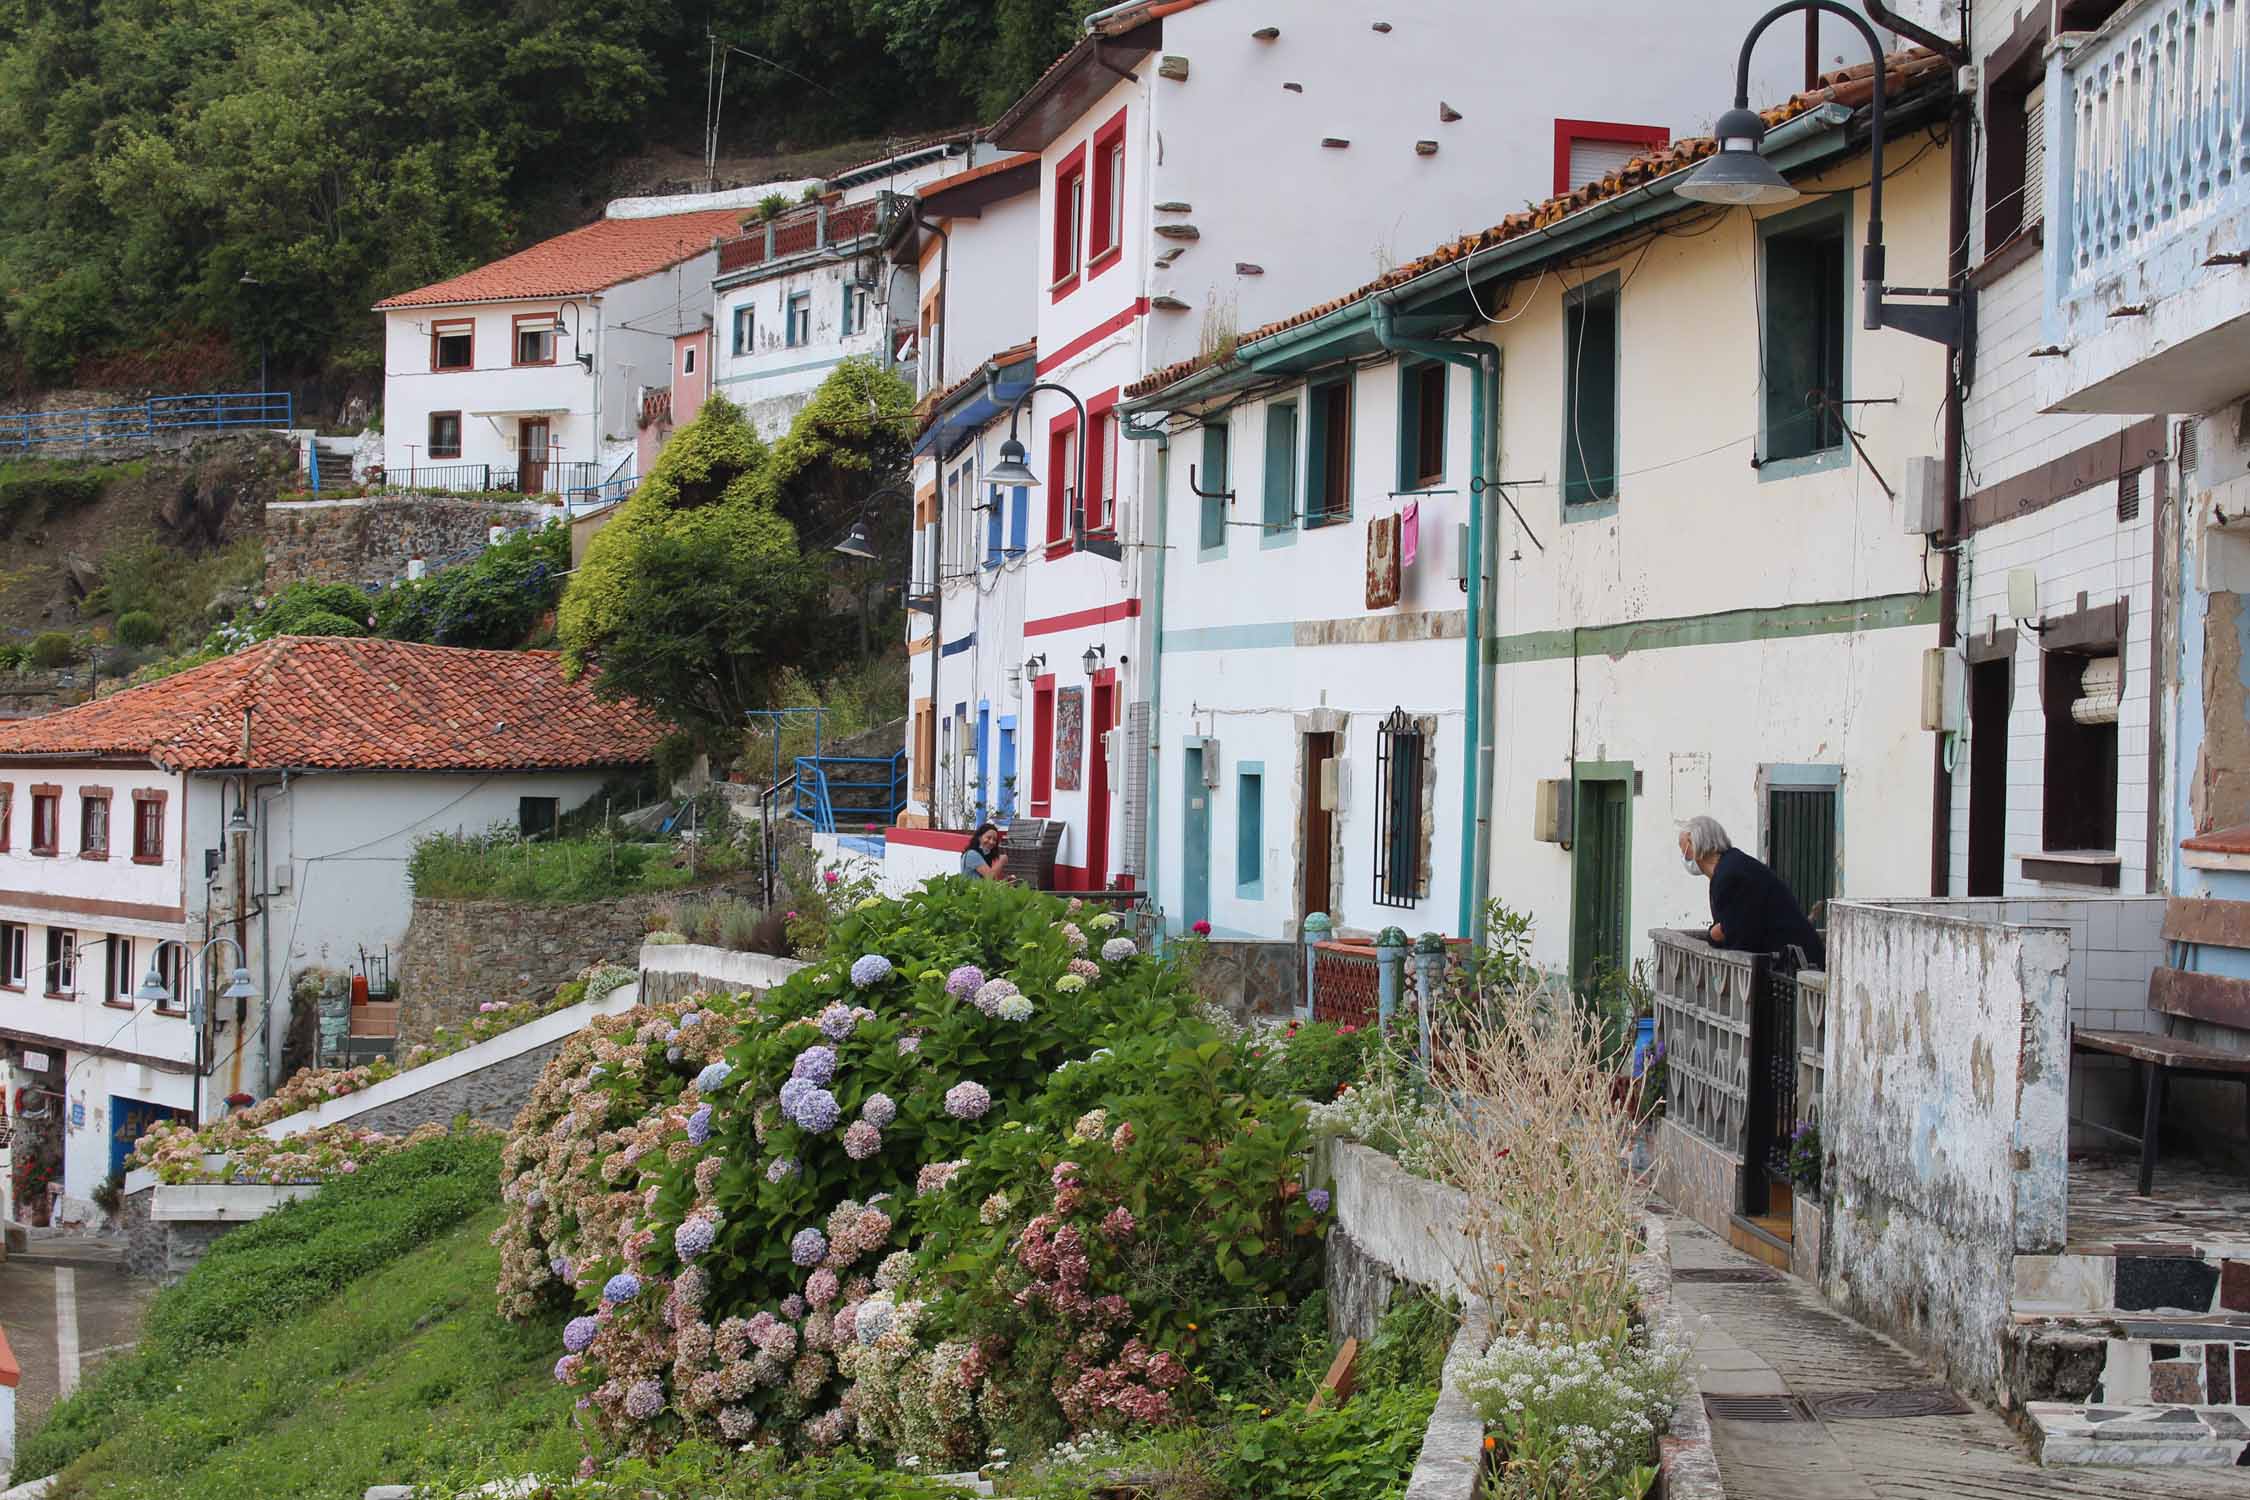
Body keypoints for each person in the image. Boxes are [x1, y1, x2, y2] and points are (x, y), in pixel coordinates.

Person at [1678, 815, 1824, 967]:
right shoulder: (1733, 863)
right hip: (1793, 955)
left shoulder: (1729, 875)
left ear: (1694, 843)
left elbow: (1732, 932)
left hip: (1795, 963)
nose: (1683, 855)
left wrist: (1712, 936)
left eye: (1683, 848)